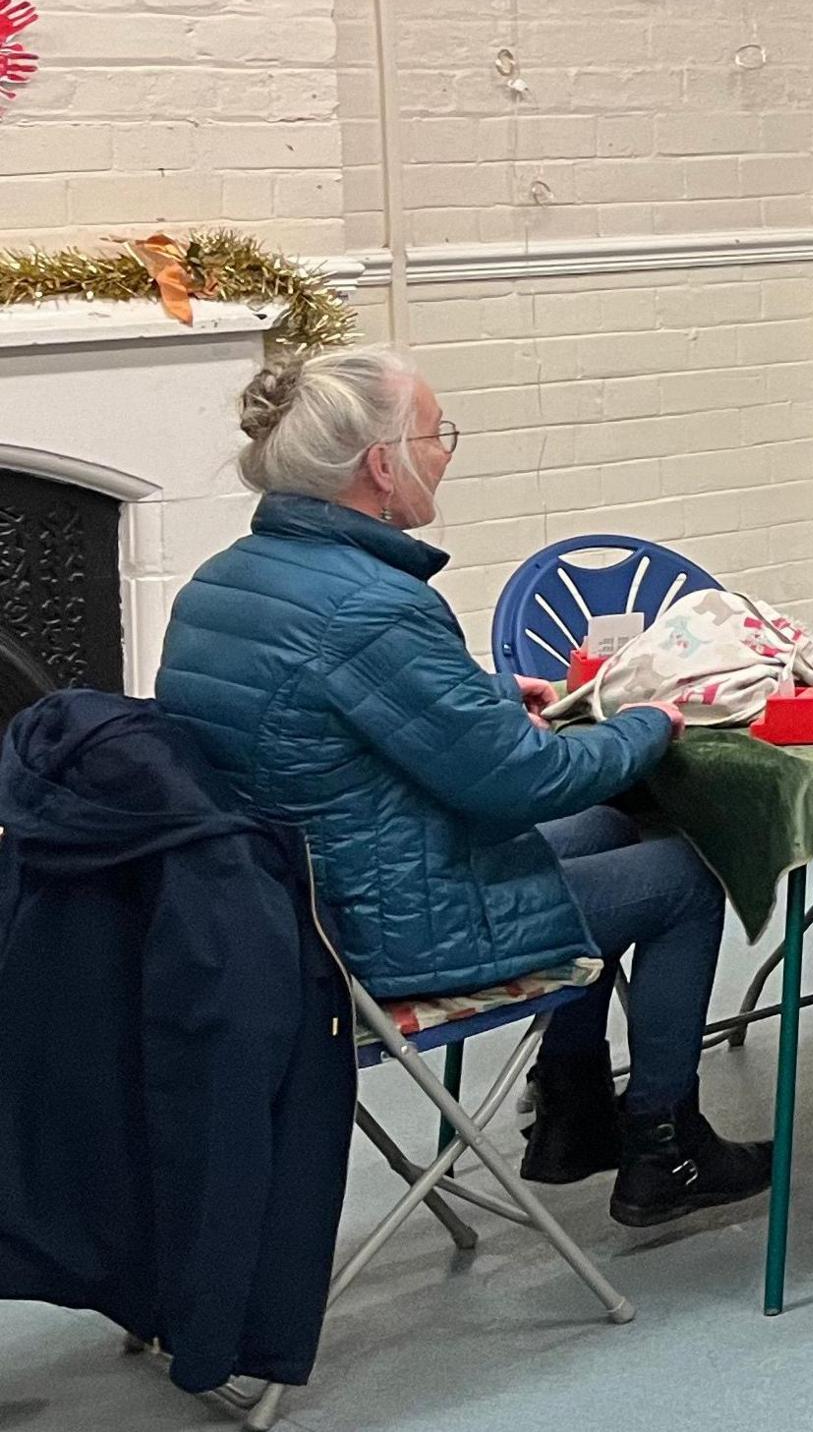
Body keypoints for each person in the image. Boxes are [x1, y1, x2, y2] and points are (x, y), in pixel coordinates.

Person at [156, 347, 765, 1229]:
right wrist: (658, 719)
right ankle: (664, 1147)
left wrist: (481, 697)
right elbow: (527, 782)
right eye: (436, 432)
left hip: (278, 909)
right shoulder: (376, 605)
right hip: (374, 939)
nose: (446, 450)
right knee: (682, 878)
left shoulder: (226, 581)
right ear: (379, 465)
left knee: (605, 830)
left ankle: (570, 1113)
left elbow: (332, 715)